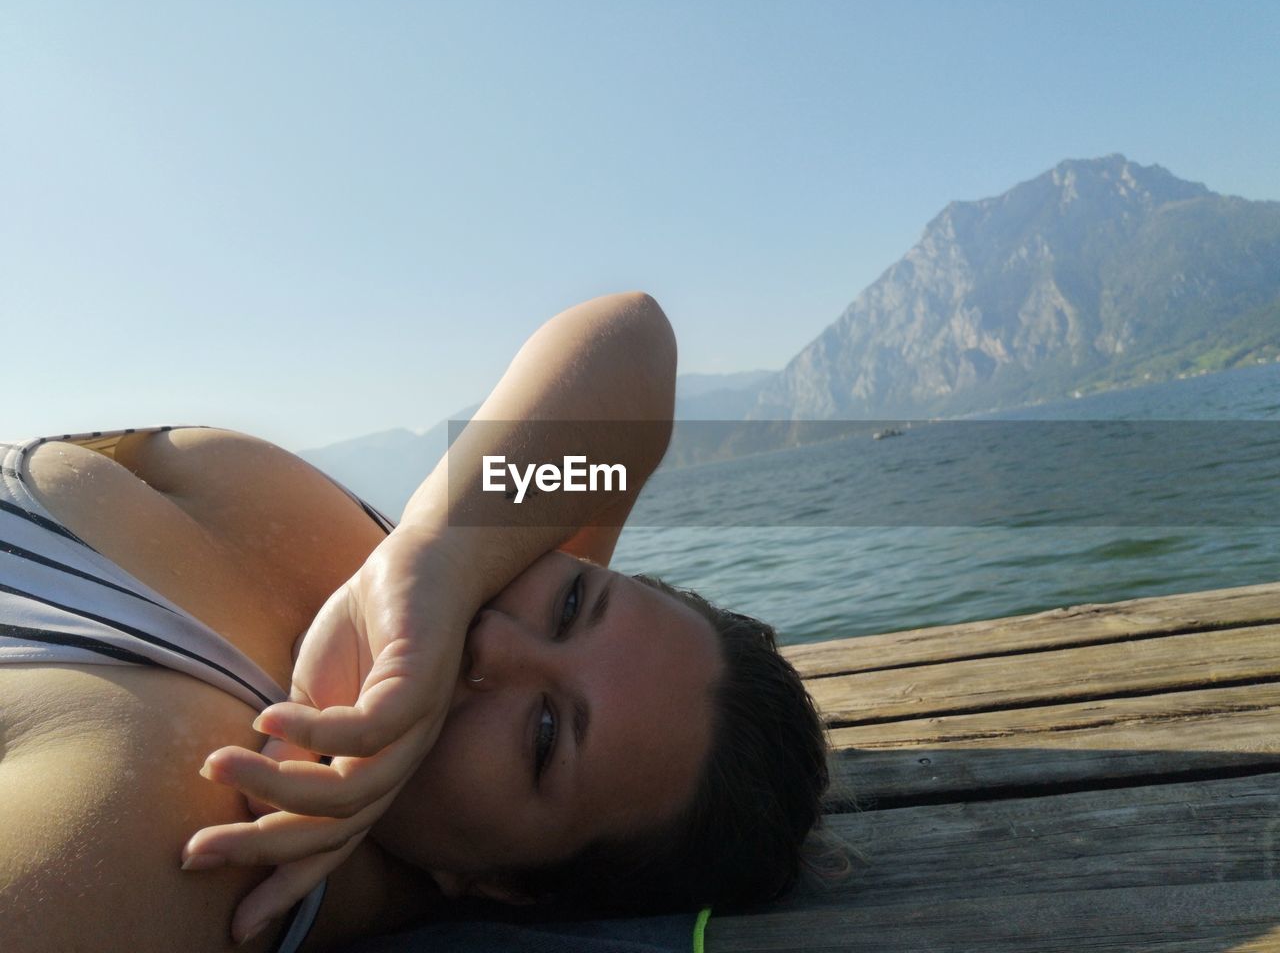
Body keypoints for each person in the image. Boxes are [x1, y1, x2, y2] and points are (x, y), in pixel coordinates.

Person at [0, 293, 830, 952]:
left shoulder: (193, 826)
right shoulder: (468, 566)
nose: (494, 642)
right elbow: (636, 340)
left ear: (499, 887)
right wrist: (434, 554)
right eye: (576, 602)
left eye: (544, 734)